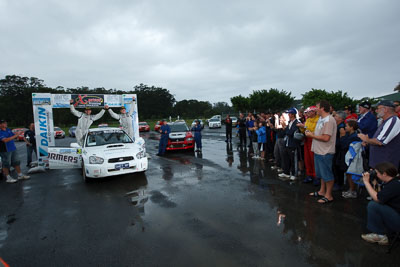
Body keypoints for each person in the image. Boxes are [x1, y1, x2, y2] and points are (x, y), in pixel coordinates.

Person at [361, 162, 400, 245]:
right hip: (396, 211)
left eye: (377, 173)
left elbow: (377, 198)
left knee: (373, 205)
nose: (376, 174)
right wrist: (375, 183)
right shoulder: (395, 181)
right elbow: (382, 195)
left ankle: (380, 236)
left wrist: (366, 182)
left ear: (384, 174)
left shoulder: (393, 185)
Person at [306, 100, 337, 204]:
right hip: (318, 150)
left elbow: (326, 137)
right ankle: (322, 191)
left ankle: (329, 195)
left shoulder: (328, 120)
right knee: (322, 174)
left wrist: (311, 135)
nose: (315, 109)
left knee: (327, 174)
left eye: (317, 107)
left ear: (323, 108)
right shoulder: (321, 119)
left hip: (325, 152)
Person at [358, 100, 400, 169]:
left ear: (385, 109)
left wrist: (367, 139)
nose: (376, 111)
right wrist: (368, 142)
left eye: (378, 108)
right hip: (380, 164)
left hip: (386, 165)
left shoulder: (393, 121)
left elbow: (380, 141)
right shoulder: (386, 121)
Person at [339, 120, 361, 199]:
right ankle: (350, 189)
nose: (345, 127)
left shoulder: (354, 136)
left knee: (350, 173)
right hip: (346, 157)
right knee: (348, 174)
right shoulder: (349, 134)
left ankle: (353, 190)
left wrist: (342, 136)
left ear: (352, 127)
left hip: (351, 158)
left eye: (347, 126)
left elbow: (344, 145)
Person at [297, 106, 319, 184]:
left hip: (314, 140)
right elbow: (305, 129)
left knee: (313, 159)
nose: (307, 113)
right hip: (307, 139)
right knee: (307, 158)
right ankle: (309, 174)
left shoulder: (318, 119)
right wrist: (301, 128)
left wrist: (304, 126)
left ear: (314, 112)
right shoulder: (308, 119)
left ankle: (316, 176)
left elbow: (314, 129)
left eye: (309, 112)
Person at [279, 108, 300, 181]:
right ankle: (286, 172)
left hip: (293, 143)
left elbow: (291, 132)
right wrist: (286, 129)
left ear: (293, 114)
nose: (288, 115)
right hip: (287, 143)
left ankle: (294, 173)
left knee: (293, 159)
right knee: (286, 158)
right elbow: (286, 132)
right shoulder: (290, 122)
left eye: (290, 113)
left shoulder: (297, 122)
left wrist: (286, 129)